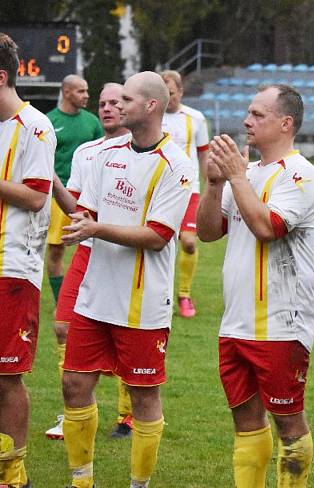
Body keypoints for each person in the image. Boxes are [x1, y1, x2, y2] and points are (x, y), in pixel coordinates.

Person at [60, 71, 193, 488]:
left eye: (127, 100)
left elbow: (156, 237)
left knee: (143, 395)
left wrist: (95, 230)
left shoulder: (178, 165)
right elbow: (89, 214)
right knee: (73, 383)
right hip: (94, 295)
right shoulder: (105, 154)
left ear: (151, 105)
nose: (116, 105)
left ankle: (139, 485)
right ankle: (82, 482)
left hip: (143, 304)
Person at [197, 83, 314, 487]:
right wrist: (216, 184)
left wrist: (236, 177)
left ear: (285, 124)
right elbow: (209, 232)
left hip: (280, 324)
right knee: (245, 423)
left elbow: (269, 228)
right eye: (248, 113)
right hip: (235, 322)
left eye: (257, 115)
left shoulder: (302, 173)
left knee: (290, 425)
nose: (247, 121)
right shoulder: (246, 174)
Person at [44, 82, 135, 441]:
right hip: (89, 252)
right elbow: (77, 210)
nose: (108, 108)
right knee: (63, 326)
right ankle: (73, 411)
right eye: (103, 103)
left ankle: (128, 417)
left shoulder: (144, 152)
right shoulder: (86, 152)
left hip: (127, 258)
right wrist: (51, 180)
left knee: (126, 340)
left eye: (116, 102)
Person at [0, 31, 56, 488]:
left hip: (11, 268)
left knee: (6, 378)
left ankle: (13, 472)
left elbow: (37, 198)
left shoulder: (35, 126)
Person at [45, 74, 103, 304]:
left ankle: (91, 296)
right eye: (81, 91)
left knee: (94, 249)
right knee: (57, 251)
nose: (86, 96)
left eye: (87, 91)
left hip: (90, 198)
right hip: (59, 197)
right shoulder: (49, 121)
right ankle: (62, 301)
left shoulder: (93, 122)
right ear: (66, 91)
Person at [160, 70, 210, 318]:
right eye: (163, 94)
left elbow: (203, 153)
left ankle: (184, 294)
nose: (167, 99)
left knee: (189, 243)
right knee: (158, 244)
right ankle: (161, 295)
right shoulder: (153, 117)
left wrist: (210, 185)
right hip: (159, 191)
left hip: (189, 189)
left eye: (171, 93)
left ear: (180, 91)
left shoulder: (196, 119)